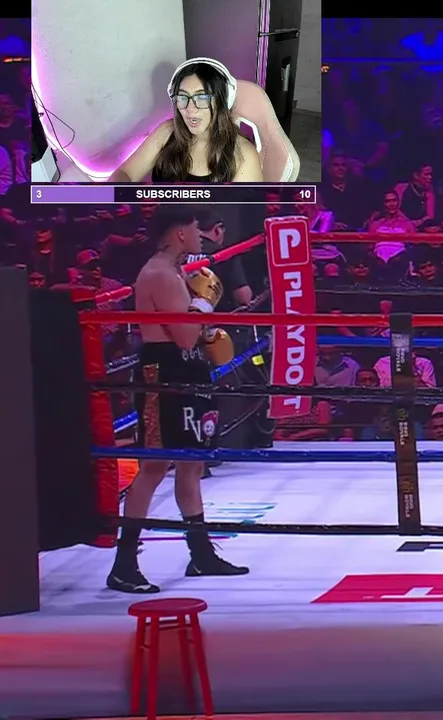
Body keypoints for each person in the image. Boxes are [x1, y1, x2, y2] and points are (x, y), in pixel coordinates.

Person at [109, 207, 248, 594]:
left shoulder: (175, 271)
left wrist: (203, 319)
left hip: (185, 369)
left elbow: (192, 335)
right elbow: (185, 336)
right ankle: (123, 565)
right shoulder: (160, 274)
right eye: (195, 228)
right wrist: (203, 305)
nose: (202, 235)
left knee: (191, 463)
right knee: (154, 467)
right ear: (180, 233)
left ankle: (201, 554)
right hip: (164, 372)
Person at [109, 59, 262, 183]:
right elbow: (124, 173)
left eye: (202, 97)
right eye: (182, 97)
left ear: (221, 101)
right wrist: (113, 197)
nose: (190, 109)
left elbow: (245, 212)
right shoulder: (167, 132)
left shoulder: (244, 154)